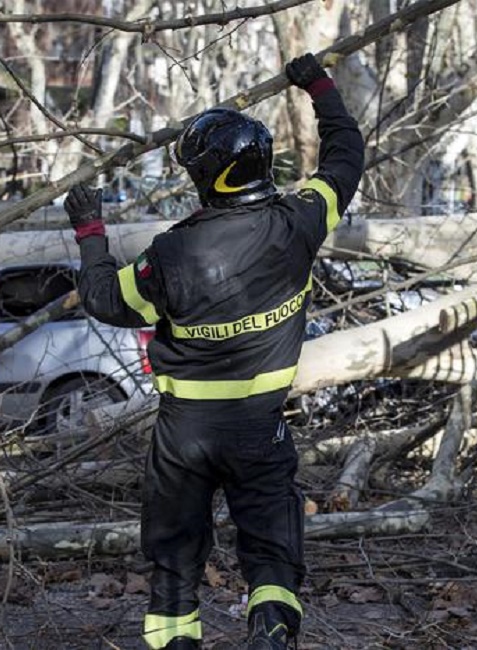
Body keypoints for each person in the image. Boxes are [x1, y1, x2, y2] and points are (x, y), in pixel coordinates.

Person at [64, 52, 364, 650]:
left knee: (174, 559)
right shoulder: (300, 223)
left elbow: (102, 297)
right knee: (273, 550)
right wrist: (318, 85)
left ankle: (175, 641)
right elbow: (346, 153)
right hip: (261, 426)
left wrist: (90, 229)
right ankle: (273, 634)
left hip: (185, 436)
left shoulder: (172, 256)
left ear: (204, 178)